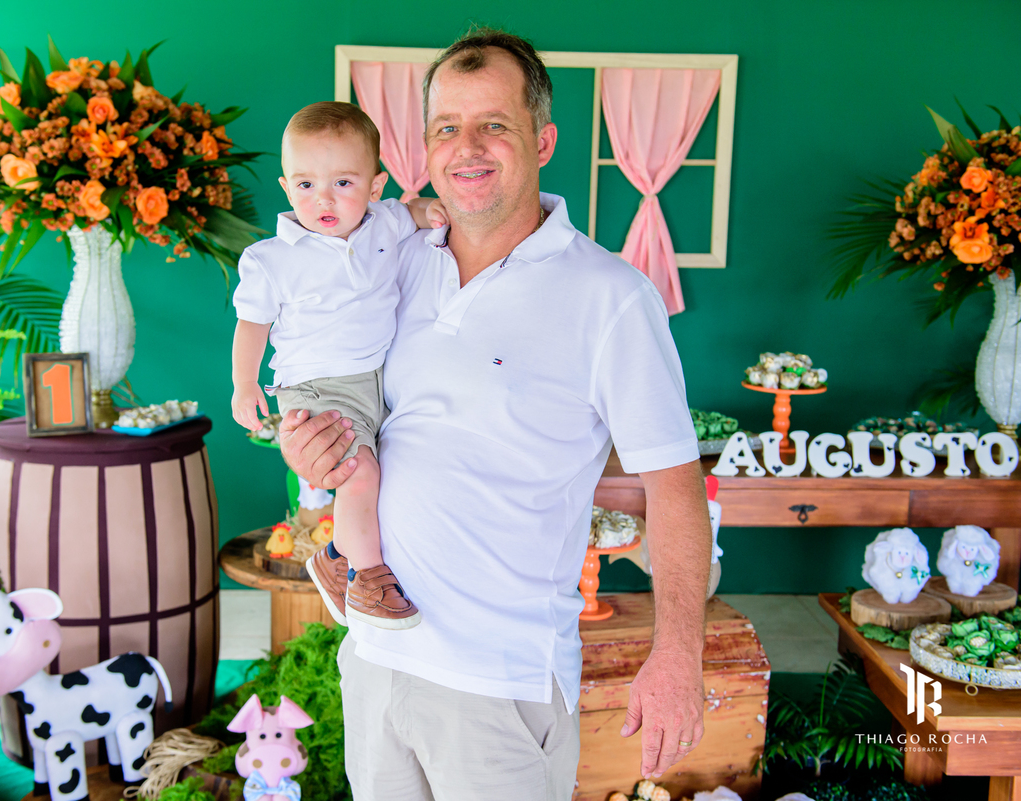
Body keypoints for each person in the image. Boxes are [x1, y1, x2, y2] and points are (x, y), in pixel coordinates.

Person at [282, 29, 713, 801]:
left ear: (542, 140)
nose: (467, 146)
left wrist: (679, 654)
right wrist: (312, 447)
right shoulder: (391, 263)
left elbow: (675, 485)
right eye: (447, 126)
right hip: (376, 660)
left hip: (499, 683)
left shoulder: (611, 296)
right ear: (425, 147)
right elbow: (348, 404)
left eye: (494, 124)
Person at [230, 101, 447, 630]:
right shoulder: (271, 259)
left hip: (376, 381)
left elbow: (414, 210)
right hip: (316, 386)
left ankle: (334, 559)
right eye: (306, 185)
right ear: (287, 188)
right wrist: (243, 383)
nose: (323, 199)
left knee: (384, 474)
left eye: (343, 183)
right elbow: (252, 325)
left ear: (375, 186)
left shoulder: (385, 224)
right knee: (357, 474)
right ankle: (367, 579)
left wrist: (434, 212)